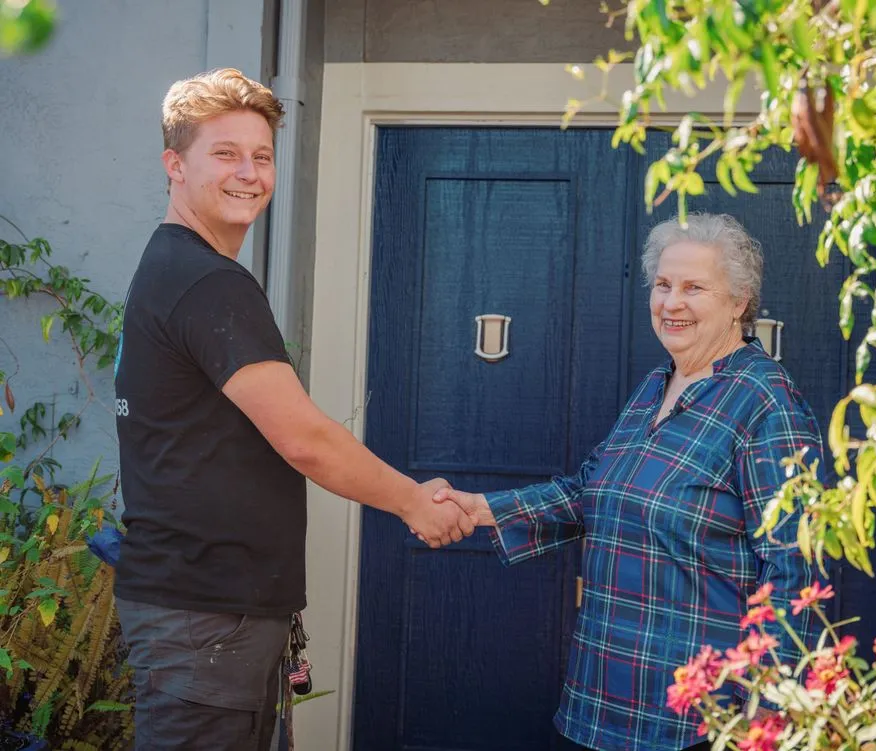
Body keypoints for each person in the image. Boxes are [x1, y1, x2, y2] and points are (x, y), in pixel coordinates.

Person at [113, 68, 471, 751]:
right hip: (207, 622)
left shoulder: (176, 269)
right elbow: (303, 437)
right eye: (225, 154)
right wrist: (412, 500)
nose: (249, 173)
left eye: (262, 155)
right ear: (174, 165)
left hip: (203, 616)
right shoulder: (207, 281)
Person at [434, 213, 822, 751]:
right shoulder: (655, 386)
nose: (671, 302)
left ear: (739, 302)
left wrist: (770, 717)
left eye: (694, 288)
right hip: (605, 694)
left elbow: (794, 567)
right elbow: (592, 489)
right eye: (662, 285)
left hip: (700, 715)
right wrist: (482, 508)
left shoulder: (766, 402)